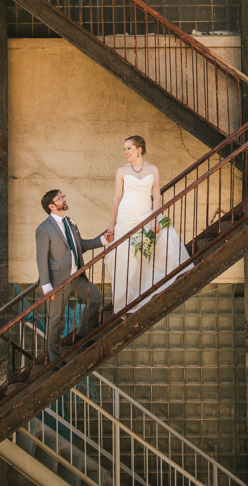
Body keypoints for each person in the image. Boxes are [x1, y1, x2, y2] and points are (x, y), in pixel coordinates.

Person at [103, 135, 192, 314]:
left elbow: (157, 196)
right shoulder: (122, 171)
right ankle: (126, 303)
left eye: (129, 148)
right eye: (124, 149)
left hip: (145, 214)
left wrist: (154, 218)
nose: (126, 152)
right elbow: (117, 198)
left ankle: (157, 283)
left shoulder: (153, 169)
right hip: (127, 215)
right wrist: (111, 225)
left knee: (165, 237)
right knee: (127, 260)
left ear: (139, 150)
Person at [36, 189, 109, 363]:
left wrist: (103, 240)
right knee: (55, 320)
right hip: (57, 282)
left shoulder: (70, 222)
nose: (64, 199)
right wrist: (46, 286)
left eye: (63, 196)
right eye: (60, 198)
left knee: (95, 298)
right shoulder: (44, 229)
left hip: (77, 276)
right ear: (51, 206)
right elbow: (41, 257)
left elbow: (80, 245)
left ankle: (82, 335)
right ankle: (54, 360)